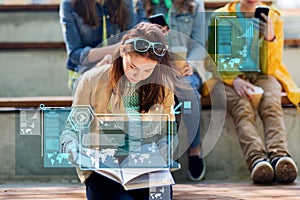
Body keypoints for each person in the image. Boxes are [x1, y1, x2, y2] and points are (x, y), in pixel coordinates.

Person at [60, 22, 189, 199]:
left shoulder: (163, 85)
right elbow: (72, 128)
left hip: (147, 171)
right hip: (104, 172)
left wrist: (164, 148)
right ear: (122, 53)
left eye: (147, 70)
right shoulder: (91, 80)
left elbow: (168, 131)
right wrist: (71, 147)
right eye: (133, 66)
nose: (138, 76)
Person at [208, 0, 300, 184]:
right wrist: (235, 80)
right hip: (228, 77)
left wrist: (270, 38)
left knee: (272, 103)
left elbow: (271, 67)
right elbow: (215, 58)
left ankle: (280, 157)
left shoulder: (274, 17)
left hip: (263, 75)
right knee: (242, 108)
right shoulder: (220, 16)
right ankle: (257, 160)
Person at [143, 0, 206, 181]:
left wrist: (190, 65)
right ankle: (164, 153)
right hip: (155, 69)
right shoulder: (142, 3)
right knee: (158, 91)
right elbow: (135, 40)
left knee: (187, 90)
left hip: (187, 70)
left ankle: (194, 150)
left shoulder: (195, 4)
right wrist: (152, 35)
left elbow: (199, 44)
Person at [59, 0, 136, 92]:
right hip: (85, 71)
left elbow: (131, 44)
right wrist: (116, 49)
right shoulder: (69, 4)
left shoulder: (125, 2)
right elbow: (75, 54)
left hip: (119, 68)